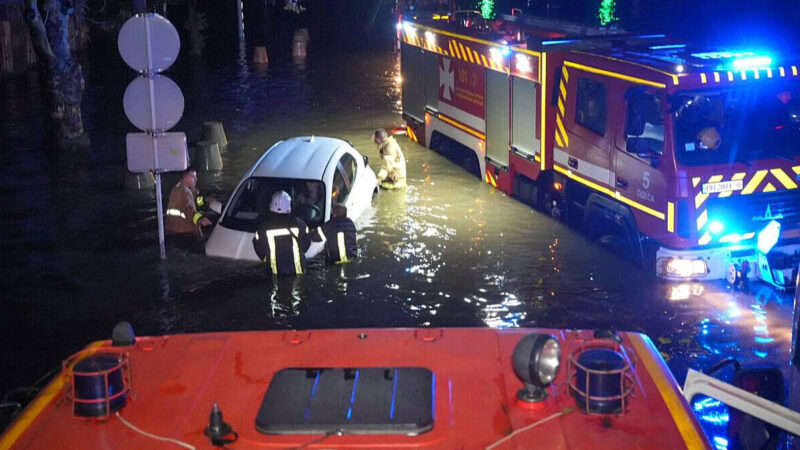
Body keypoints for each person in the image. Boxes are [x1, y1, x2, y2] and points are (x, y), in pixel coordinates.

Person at [253, 190, 311, 276]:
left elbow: (259, 247)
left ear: (271, 205)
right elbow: (306, 243)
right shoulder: (299, 224)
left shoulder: (263, 227)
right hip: (297, 272)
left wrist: (266, 258)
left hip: (274, 273)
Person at [165, 167, 221, 237]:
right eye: (193, 177)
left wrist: (205, 200)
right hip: (184, 231)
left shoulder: (179, 187)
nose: (196, 179)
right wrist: (200, 219)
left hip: (172, 228)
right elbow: (190, 210)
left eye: (196, 177)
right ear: (185, 177)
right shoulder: (185, 192)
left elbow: (193, 201)